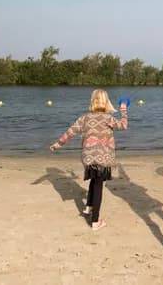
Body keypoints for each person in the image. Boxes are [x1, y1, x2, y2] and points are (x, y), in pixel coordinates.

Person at [50, 89, 128, 231]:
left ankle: (89, 207)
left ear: (92, 102)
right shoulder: (108, 118)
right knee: (98, 185)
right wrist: (123, 110)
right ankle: (95, 221)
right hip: (103, 157)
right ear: (107, 102)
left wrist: (58, 144)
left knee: (94, 180)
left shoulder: (84, 118)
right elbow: (123, 125)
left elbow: (70, 132)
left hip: (88, 156)